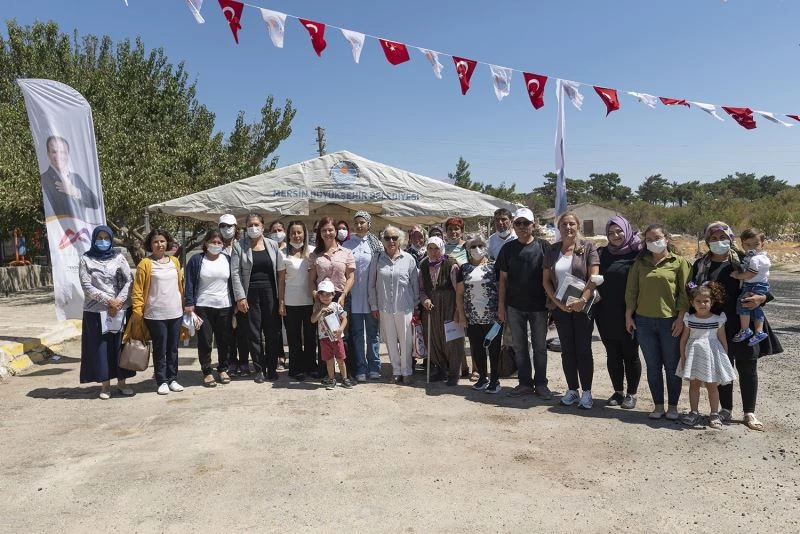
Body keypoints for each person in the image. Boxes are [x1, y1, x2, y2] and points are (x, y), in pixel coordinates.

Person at [691, 221, 782, 431]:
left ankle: (749, 412)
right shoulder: (700, 265)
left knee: (747, 367)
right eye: (713, 239)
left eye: (723, 237)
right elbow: (692, 289)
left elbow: (764, 284)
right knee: (723, 367)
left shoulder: (745, 259)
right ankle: (726, 409)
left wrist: (762, 298)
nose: (718, 242)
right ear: (707, 242)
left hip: (744, 322)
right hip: (715, 325)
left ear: (731, 238)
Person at [625, 223, 690, 420]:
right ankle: (658, 406)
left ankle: (672, 407)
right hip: (644, 322)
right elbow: (632, 291)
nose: (654, 242)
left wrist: (680, 319)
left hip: (669, 322)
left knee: (671, 367)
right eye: (650, 239)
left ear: (667, 238)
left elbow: (684, 294)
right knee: (653, 367)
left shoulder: (679, 262)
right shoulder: (640, 263)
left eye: (658, 238)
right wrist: (629, 316)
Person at [543, 212, 600, 409]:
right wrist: (557, 303)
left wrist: (583, 299)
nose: (568, 227)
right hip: (561, 308)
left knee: (583, 350)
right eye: (564, 224)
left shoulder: (588, 247)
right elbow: (546, 281)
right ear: (559, 228)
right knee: (567, 351)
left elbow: (594, 277)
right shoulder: (552, 250)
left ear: (578, 226)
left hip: (583, 307)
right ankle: (572, 390)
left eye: (572, 224)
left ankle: (587, 392)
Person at [496, 208, 552, 399]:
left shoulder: (544, 247)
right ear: (514, 225)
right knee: (520, 348)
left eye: (525, 223)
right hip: (514, 307)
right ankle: (525, 383)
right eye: (518, 223)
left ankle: (542, 383)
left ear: (533, 226)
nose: (522, 227)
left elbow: (553, 277)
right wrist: (501, 307)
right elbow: (502, 281)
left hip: (539, 307)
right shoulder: (507, 249)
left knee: (540, 347)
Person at [124, 228, 185, 395]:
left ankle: (172, 379)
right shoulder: (145, 263)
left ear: (167, 243)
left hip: (175, 312)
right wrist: (137, 310)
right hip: (155, 314)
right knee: (160, 347)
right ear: (151, 244)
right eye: (156, 241)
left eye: (162, 241)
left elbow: (180, 285)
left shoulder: (174, 261)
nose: (159, 244)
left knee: (173, 348)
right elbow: (137, 290)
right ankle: (162, 380)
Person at [78, 225, 134, 399]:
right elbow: (87, 286)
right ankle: (105, 386)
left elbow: (129, 280)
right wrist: (108, 300)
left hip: (119, 310)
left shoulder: (118, 257)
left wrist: (118, 301)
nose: (103, 241)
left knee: (119, 346)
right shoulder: (86, 259)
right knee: (101, 348)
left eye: (106, 238)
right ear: (94, 239)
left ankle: (122, 383)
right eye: (99, 238)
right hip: (96, 312)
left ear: (111, 239)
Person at [594, 216, 643, 409]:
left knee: (630, 354)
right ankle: (618, 391)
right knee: (612, 354)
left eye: (619, 231)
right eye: (611, 232)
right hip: (605, 312)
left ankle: (632, 394)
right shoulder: (602, 253)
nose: (615, 235)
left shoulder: (638, 254)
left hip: (630, 313)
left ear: (627, 230)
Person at [231, 213, 285, 383]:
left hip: (270, 293)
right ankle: (259, 368)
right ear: (246, 228)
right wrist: (240, 297)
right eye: (250, 225)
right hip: (250, 294)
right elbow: (235, 272)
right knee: (253, 333)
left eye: (256, 224)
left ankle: (271, 368)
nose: (253, 228)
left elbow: (279, 272)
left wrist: (280, 299)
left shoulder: (272, 245)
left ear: (263, 227)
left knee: (272, 332)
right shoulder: (239, 246)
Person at [677, 282, 736, 429]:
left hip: (712, 358)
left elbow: (723, 341)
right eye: (698, 301)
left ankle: (714, 413)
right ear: (692, 302)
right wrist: (683, 358)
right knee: (694, 385)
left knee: (712, 386)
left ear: (712, 302)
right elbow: (684, 339)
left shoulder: (718, 319)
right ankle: (694, 412)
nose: (702, 304)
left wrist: (724, 360)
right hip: (694, 357)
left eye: (706, 301)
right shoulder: (689, 319)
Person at [368, 225, 419, 384]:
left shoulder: (409, 259)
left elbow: (415, 284)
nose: (391, 241)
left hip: (405, 306)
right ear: (382, 240)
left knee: (406, 341)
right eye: (387, 238)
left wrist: (416, 306)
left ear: (400, 240)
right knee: (390, 340)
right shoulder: (377, 258)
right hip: (384, 307)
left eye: (394, 238)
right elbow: (371, 284)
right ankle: (396, 371)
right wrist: (374, 305)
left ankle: (407, 371)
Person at [307, 217, 356, 381]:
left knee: (343, 335)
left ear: (335, 231)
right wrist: (316, 297)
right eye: (323, 230)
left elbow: (350, 277)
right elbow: (311, 279)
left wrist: (343, 295)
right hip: (323, 298)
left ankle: (346, 374)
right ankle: (326, 373)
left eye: (330, 230)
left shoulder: (346, 252)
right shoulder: (315, 255)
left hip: (340, 297)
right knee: (323, 336)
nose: (327, 233)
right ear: (319, 233)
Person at [183, 229, 233, 387]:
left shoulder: (227, 259)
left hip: (225, 306)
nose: (216, 245)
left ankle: (223, 368)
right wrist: (189, 303)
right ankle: (206, 371)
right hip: (203, 306)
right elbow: (189, 282)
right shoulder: (197, 260)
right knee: (205, 340)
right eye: (213, 242)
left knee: (224, 340)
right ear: (206, 243)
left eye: (219, 242)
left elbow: (233, 281)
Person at [455, 235, 503, 393]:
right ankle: (483, 377)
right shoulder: (463, 269)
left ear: (486, 247)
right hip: (473, 317)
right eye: (473, 246)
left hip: (492, 316)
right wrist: (461, 315)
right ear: (468, 250)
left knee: (494, 349)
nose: (477, 249)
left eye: (480, 245)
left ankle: (495, 380)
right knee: (477, 348)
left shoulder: (494, 267)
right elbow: (460, 294)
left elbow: (501, 289)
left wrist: (502, 310)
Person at [343, 211, 383, 382]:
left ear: (368, 224)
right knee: (357, 334)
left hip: (372, 297)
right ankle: (360, 367)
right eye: (357, 222)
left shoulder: (377, 245)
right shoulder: (347, 245)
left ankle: (374, 366)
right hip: (354, 298)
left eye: (362, 222)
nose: (359, 225)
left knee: (373, 334)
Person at [419, 236, 465, 386]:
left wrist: (458, 309)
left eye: (436, 248)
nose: (433, 252)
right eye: (430, 248)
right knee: (433, 338)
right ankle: (440, 369)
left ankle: (453, 373)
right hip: (431, 306)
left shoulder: (451, 264)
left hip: (449, 304)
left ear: (441, 248)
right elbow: (421, 288)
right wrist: (425, 299)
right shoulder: (424, 264)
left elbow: (458, 290)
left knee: (452, 339)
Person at [278, 220, 317, 381]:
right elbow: (280, 280)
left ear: (305, 234)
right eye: (293, 232)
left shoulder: (313, 252)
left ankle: (310, 366)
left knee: (310, 336)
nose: (296, 235)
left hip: (310, 301)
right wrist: (281, 302)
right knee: (294, 338)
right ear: (288, 235)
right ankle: (296, 368)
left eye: (299, 232)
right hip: (291, 302)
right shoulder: (282, 253)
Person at [219, 213, 250, 376]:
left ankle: (244, 361)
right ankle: (231, 361)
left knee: (243, 331)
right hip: (223, 297)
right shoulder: (216, 248)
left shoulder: (243, 246)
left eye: (229, 226)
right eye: (223, 226)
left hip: (242, 295)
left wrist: (241, 296)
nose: (226, 229)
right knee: (227, 332)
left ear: (236, 228)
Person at [39, 135, 100, 219]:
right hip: (59, 229)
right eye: (54, 152)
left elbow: (95, 203)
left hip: (80, 230)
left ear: (68, 154)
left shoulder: (76, 177)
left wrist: (75, 191)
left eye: (63, 152)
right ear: (48, 154)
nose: (59, 156)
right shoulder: (44, 179)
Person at [730, 228, 771, 346]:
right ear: (742, 244)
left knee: (743, 303)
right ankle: (758, 331)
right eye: (748, 245)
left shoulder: (754, 259)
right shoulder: (758, 257)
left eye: (755, 244)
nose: (751, 248)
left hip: (753, 286)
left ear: (762, 243)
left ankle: (745, 329)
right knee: (755, 308)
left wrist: (738, 275)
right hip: (760, 286)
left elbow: (751, 274)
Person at [311, 279, 352, 390]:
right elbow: (313, 320)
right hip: (324, 338)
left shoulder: (336, 306)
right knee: (329, 360)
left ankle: (344, 378)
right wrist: (321, 311)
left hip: (336, 337)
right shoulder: (317, 307)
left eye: (328, 294)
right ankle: (331, 378)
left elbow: (344, 319)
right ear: (318, 295)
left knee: (340, 359)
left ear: (333, 294)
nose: (325, 297)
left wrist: (341, 329)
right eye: (322, 294)